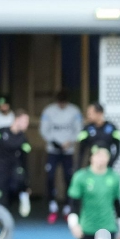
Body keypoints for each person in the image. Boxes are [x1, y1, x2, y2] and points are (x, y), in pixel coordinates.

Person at [40, 89, 82, 224]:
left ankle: (67, 208)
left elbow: (79, 130)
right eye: (60, 102)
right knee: (50, 177)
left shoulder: (74, 111)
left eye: (63, 102)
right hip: (53, 151)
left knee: (69, 178)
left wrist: (70, 142)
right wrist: (54, 142)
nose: (61, 104)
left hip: (68, 151)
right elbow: (44, 130)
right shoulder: (49, 111)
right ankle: (52, 207)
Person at [0, 109, 32, 217]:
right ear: (17, 120)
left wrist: (27, 184)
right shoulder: (0, 132)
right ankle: (1, 219)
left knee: (19, 177)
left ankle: (23, 195)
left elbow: (25, 160)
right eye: (25, 121)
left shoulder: (23, 139)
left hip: (14, 170)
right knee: (0, 197)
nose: (27, 124)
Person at [78, 103, 120, 168]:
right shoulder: (86, 129)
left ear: (99, 113)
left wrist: (111, 162)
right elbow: (81, 150)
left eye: (90, 113)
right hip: (91, 167)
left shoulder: (112, 128)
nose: (88, 116)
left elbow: (118, 148)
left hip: (107, 166)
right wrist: (79, 167)